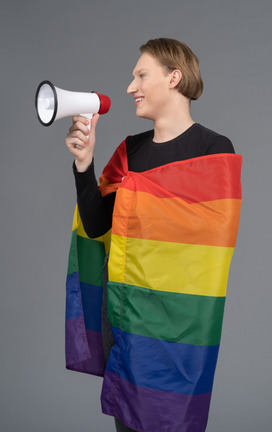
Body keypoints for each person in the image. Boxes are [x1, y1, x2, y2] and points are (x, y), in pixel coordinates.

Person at [65, 38, 242, 432]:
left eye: (141, 75)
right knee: (128, 418)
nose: (131, 87)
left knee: (173, 420)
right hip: (127, 309)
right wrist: (84, 164)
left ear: (174, 78)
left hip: (179, 318)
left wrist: (145, 207)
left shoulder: (213, 150)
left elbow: (210, 242)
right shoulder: (131, 151)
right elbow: (97, 227)